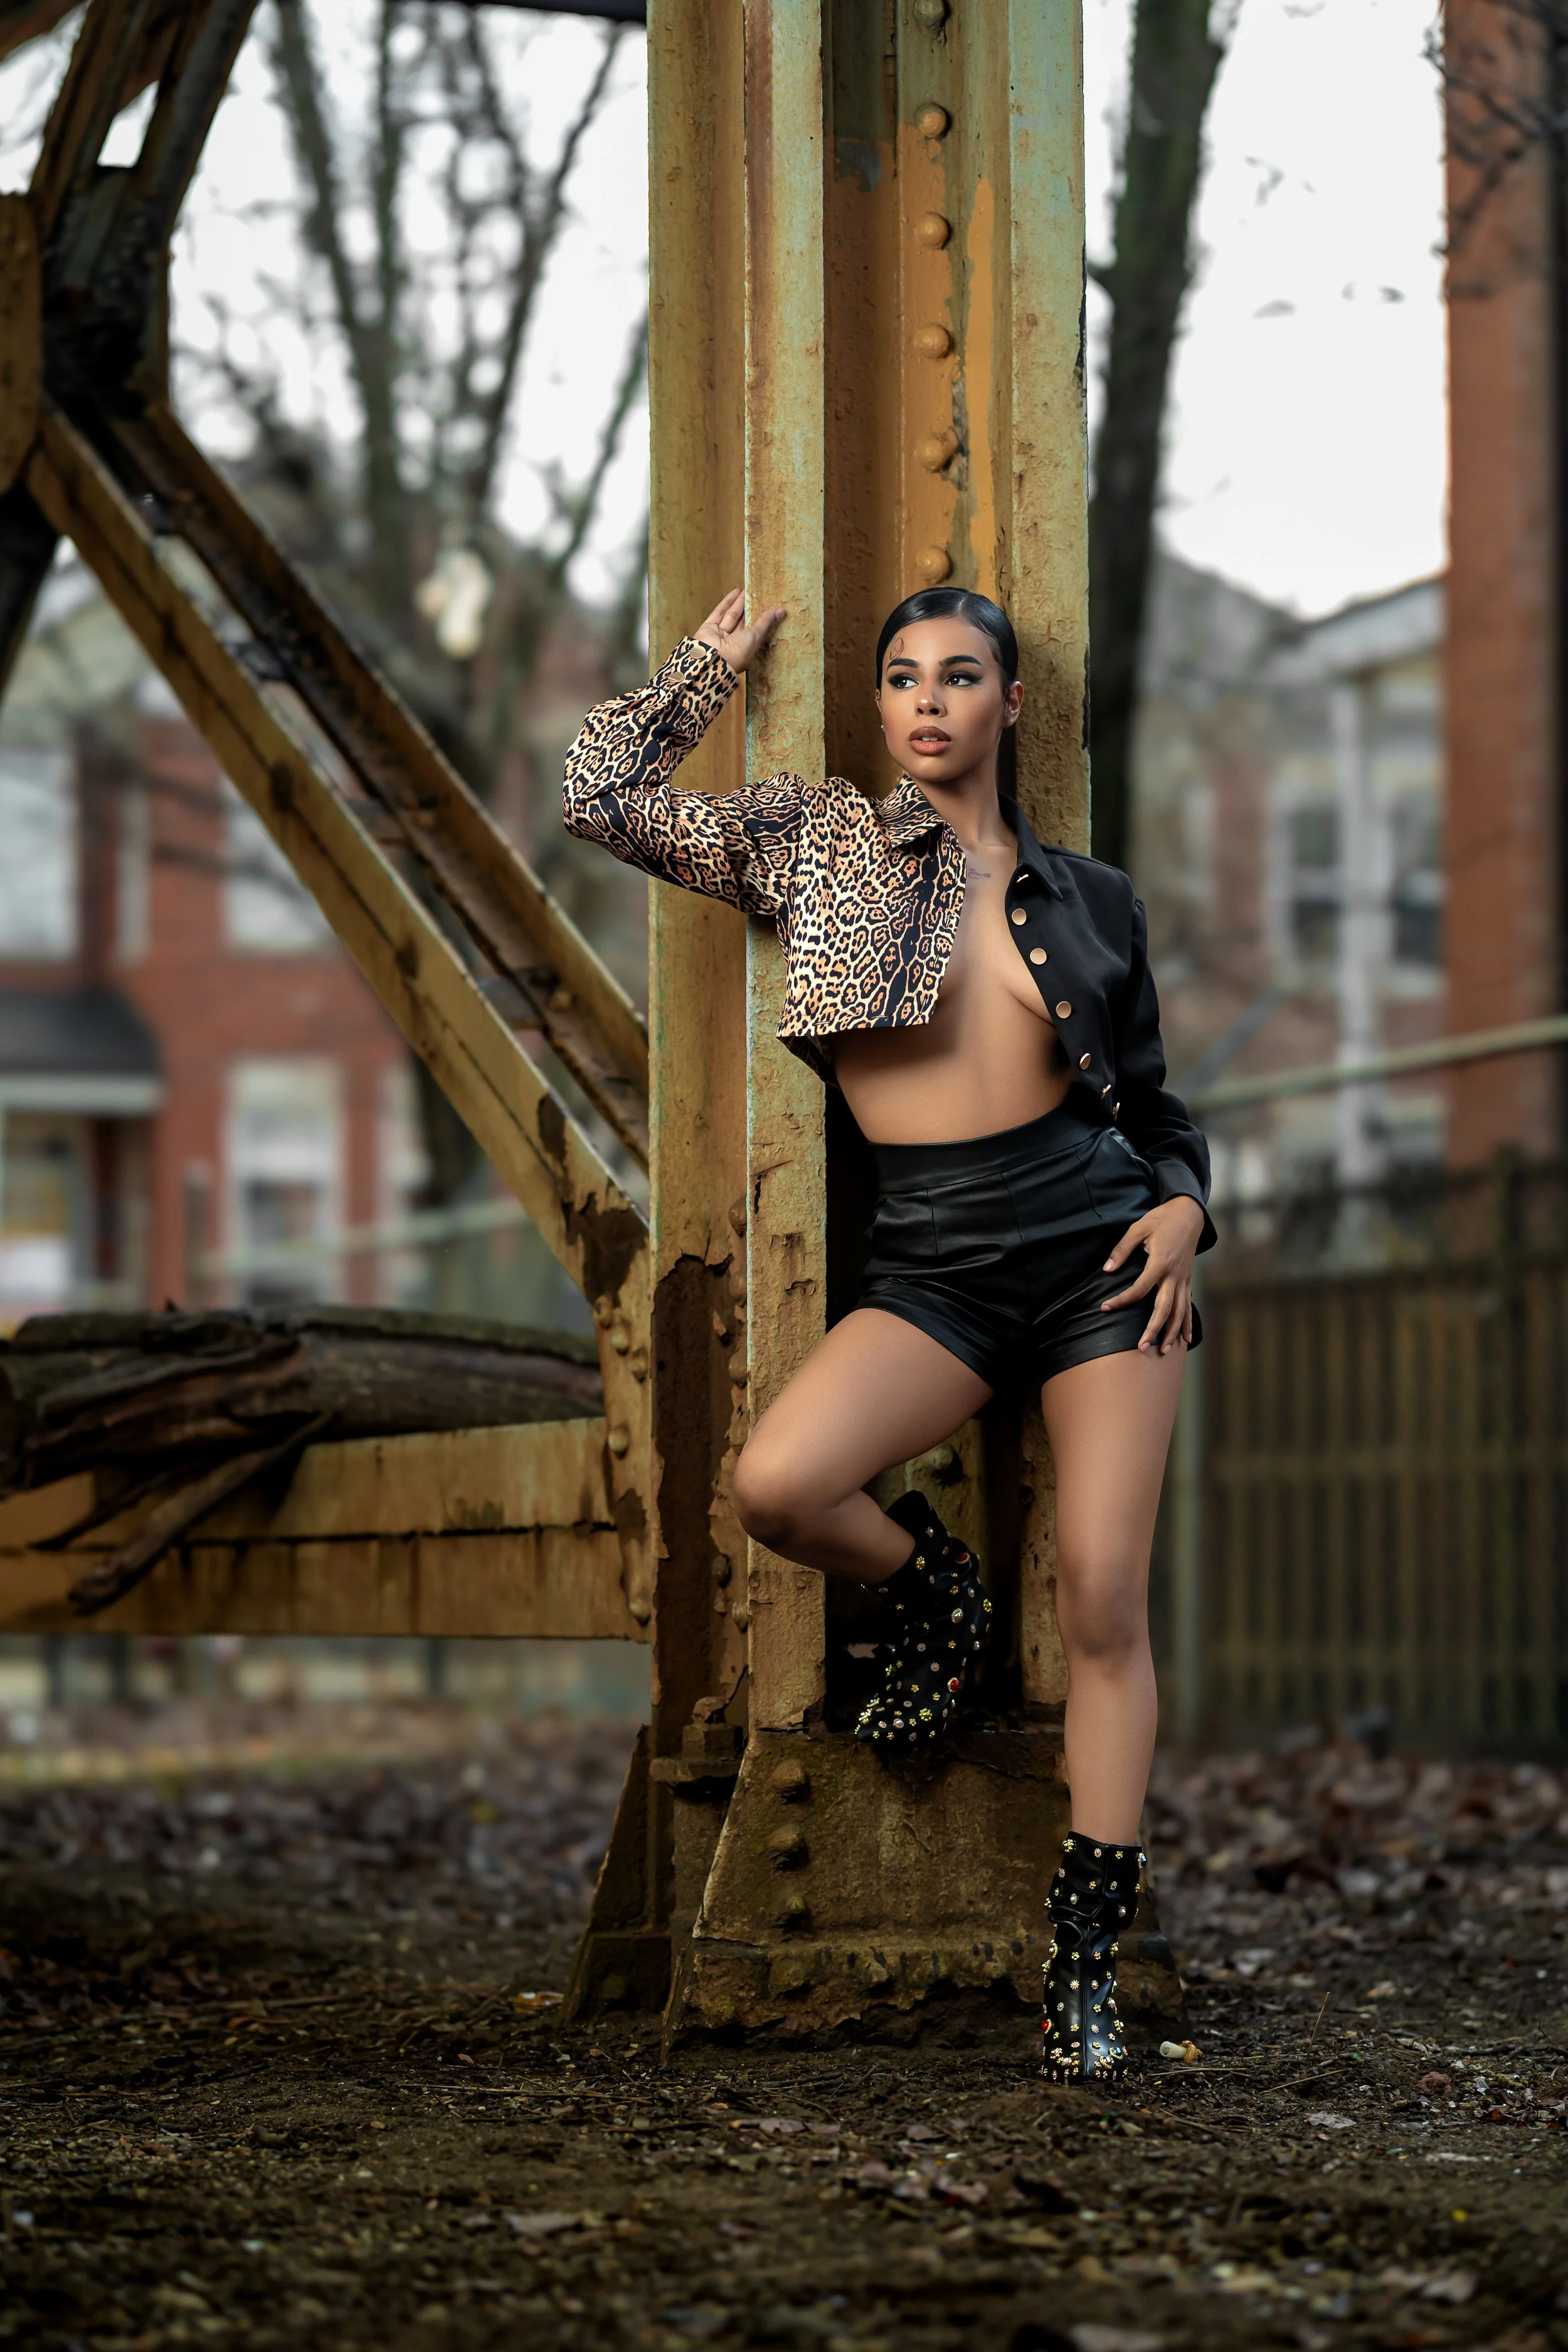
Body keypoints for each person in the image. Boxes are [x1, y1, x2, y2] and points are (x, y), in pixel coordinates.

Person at [563, 586, 1214, 2082]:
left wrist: (1184, 1208)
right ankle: (938, 1595)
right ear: (878, 709)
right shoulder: (820, 840)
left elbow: (1159, 1113)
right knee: (778, 1484)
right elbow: (598, 796)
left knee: (1109, 1600)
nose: (928, 701)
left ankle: (1081, 1962)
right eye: (903, 679)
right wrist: (703, 671)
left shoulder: (1093, 899)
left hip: (1101, 1260)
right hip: (931, 1264)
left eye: (961, 675)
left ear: (1009, 705)